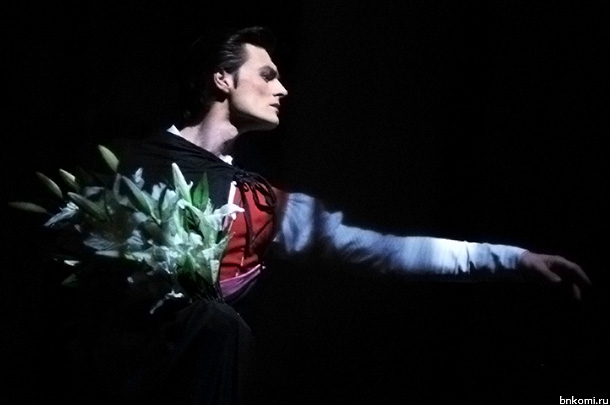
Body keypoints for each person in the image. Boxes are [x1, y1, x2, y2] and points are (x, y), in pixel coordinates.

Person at [69, 25, 591, 404]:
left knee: (224, 326)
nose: (282, 89)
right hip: (121, 378)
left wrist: (512, 259)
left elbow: (378, 249)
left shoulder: (260, 201)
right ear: (222, 79)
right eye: (267, 75)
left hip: (200, 377)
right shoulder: (128, 167)